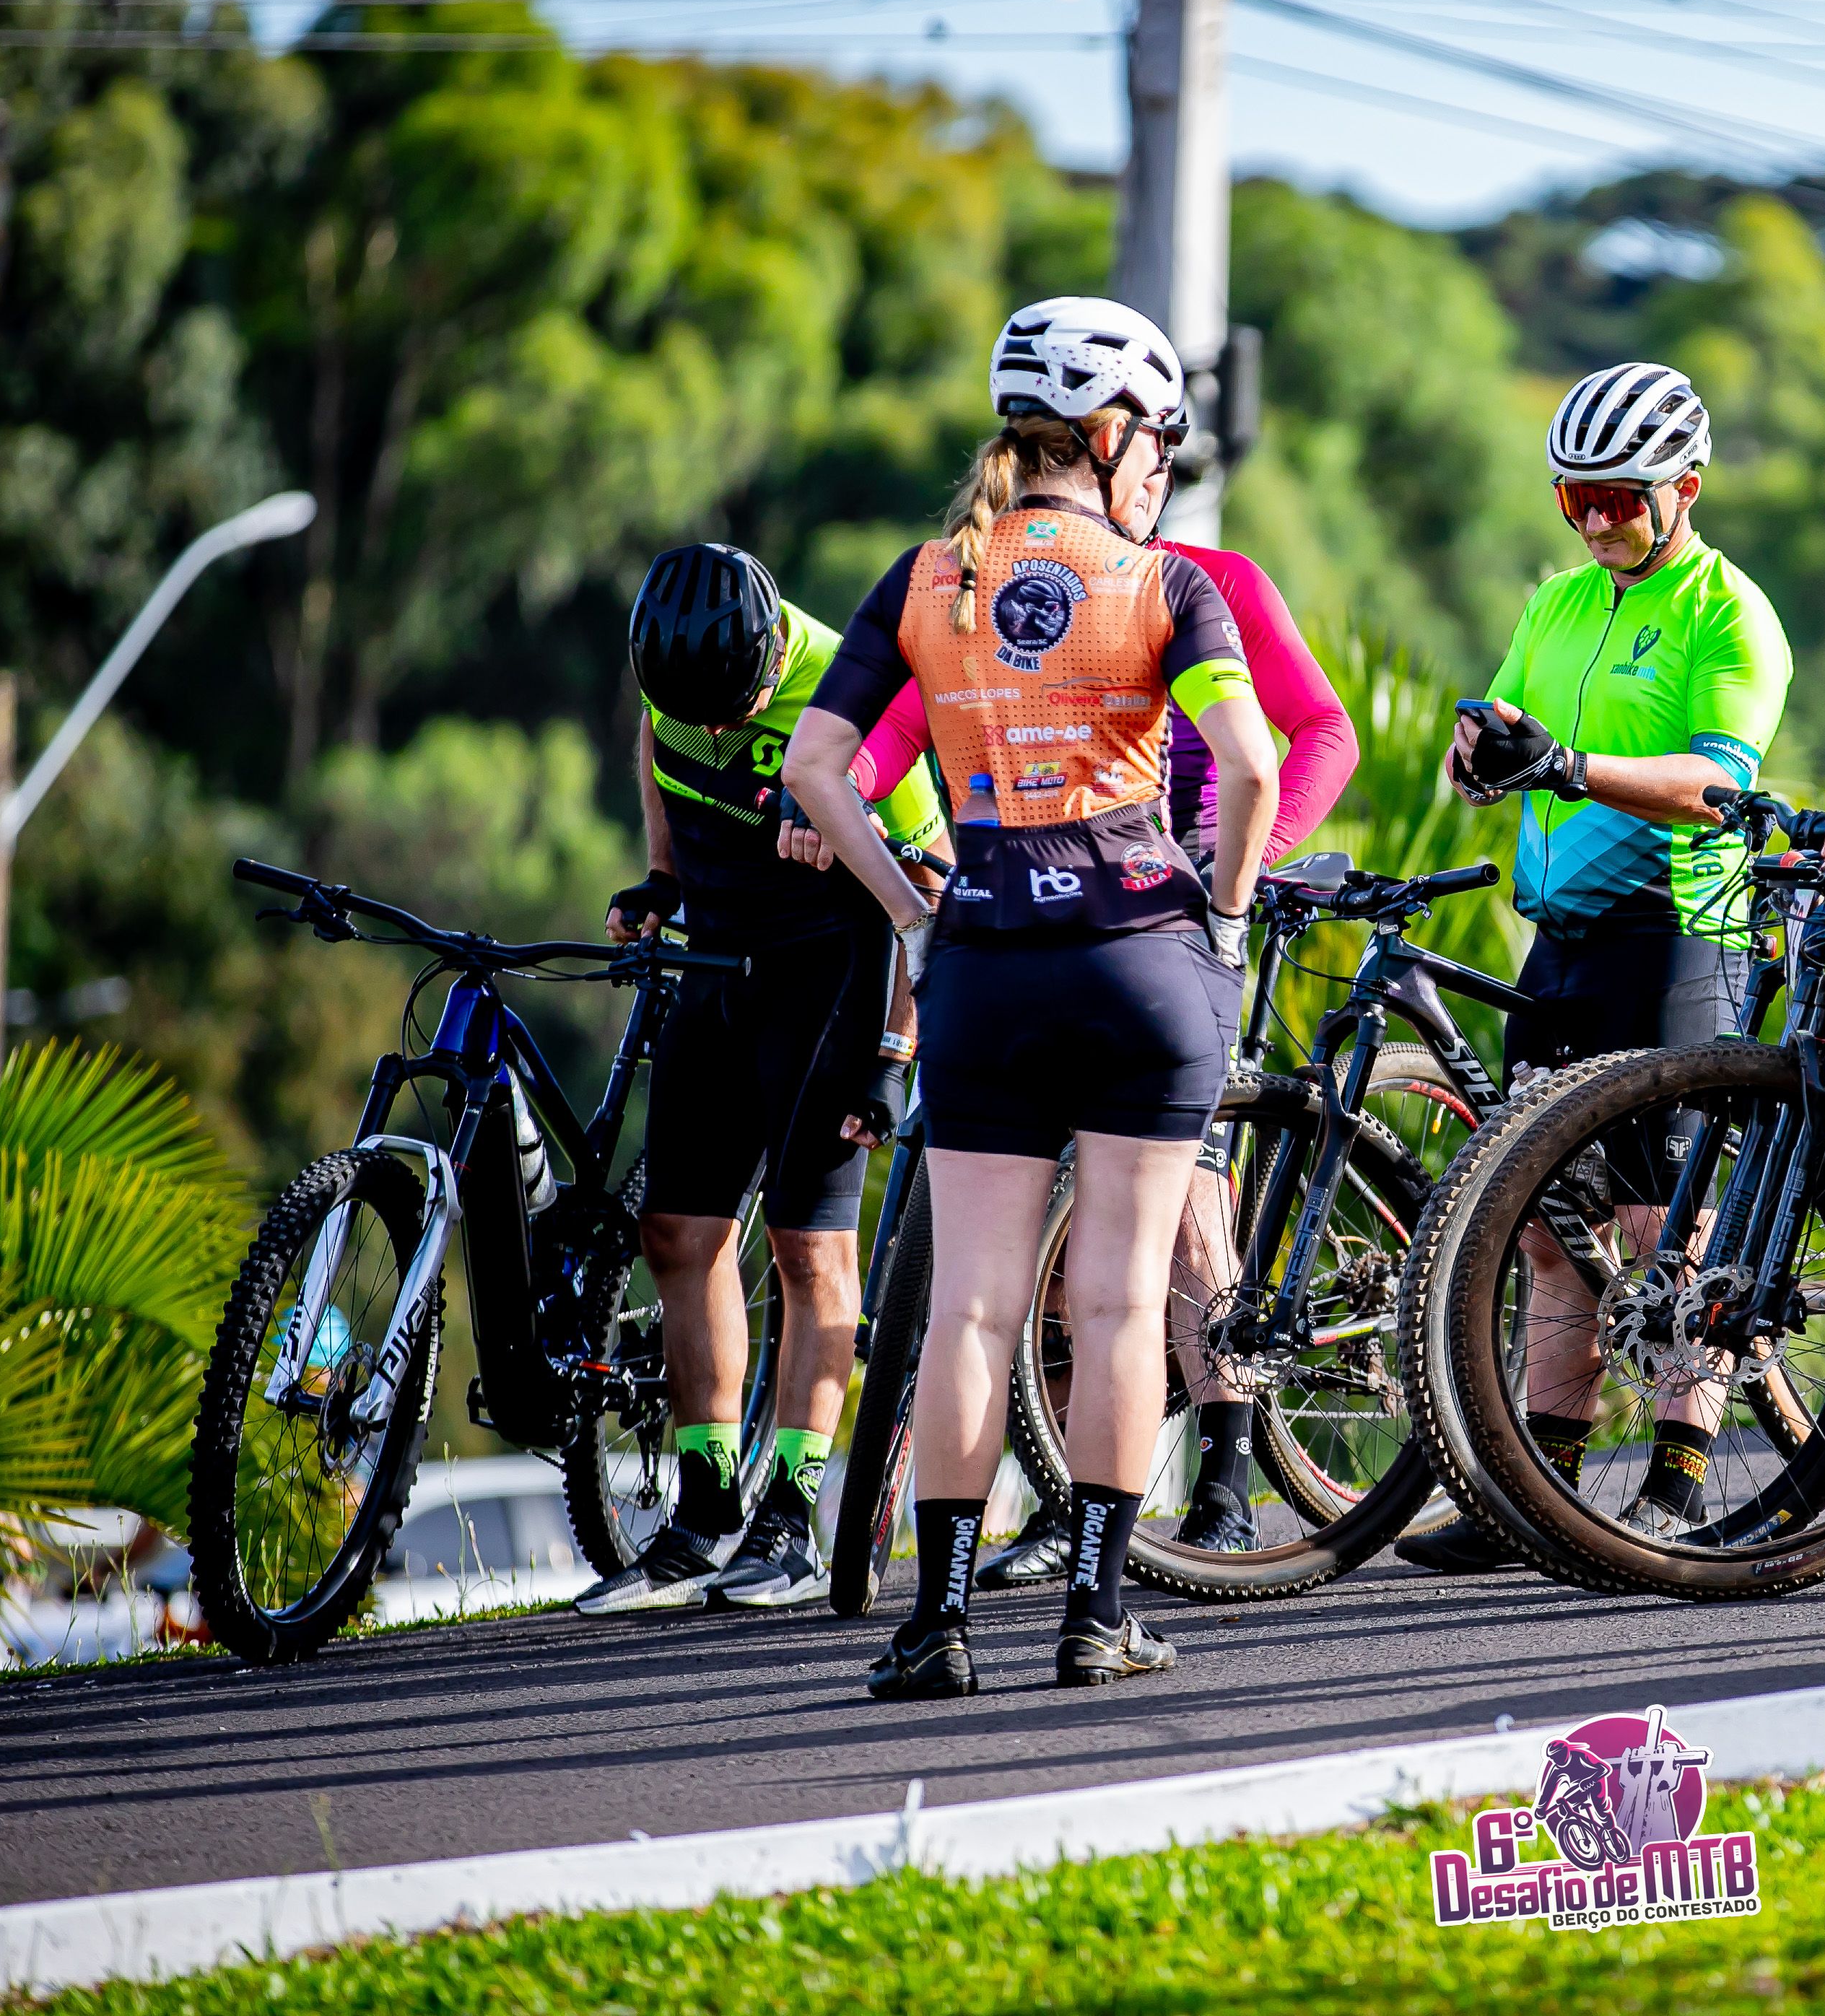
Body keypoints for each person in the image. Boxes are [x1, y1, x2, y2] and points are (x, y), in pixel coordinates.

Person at [782, 294, 1278, 1698]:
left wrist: (912, 915)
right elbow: (1250, 768)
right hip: (1141, 958)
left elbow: (816, 770)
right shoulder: (1165, 583)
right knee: (1118, 1304)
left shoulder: (930, 576)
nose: (1161, 464)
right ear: (1113, 437)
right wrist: (1224, 920)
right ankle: (1096, 1617)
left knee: (971, 1310)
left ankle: (935, 1626)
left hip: (985, 959)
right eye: (1160, 441)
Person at [830, 533, 1356, 1584]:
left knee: (1185, 1216)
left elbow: (1321, 733)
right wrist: (841, 791)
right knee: (1069, 1268)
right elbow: (894, 728)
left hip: (1179, 912)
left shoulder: (1210, 581)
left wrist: (1242, 869)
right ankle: (1070, 1517)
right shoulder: (991, 581)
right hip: (1054, 920)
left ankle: (1222, 1485)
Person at [1395, 360, 1794, 1574]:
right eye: (1578, 500)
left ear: (1687, 487)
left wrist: (1567, 767)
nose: (1599, 522)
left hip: (1677, 935)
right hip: (1561, 940)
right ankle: (1543, 1493)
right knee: (1547, 1230)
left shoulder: (1731, 611)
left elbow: (1715, 782)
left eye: (1622, 499)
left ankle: (1678, 1481)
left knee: (1665, 1225)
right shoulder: (1558, 601)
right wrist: (1479, 756)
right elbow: (1500, 738)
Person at [575, 543, 949, 1615]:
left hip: (830, 981)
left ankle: (789, 1516)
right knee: (677, 1235)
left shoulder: (850, 691)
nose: (716, 734)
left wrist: (895, 1058)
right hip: (717, 963)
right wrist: (662, 874)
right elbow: (658, 745)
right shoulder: (676, 687)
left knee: (805, 1245)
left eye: (735, 716)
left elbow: (930, 894)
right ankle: (703, 1513)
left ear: (773, 653)